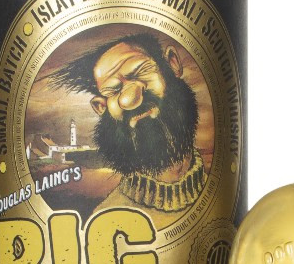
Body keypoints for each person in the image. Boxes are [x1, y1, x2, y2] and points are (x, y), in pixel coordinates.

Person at [53, 33, 205, 226]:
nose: (130, 99)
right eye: (114, 91)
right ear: (101, 107)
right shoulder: (105, 220)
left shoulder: (219, 190)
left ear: (172, 63)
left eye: (140, 72)